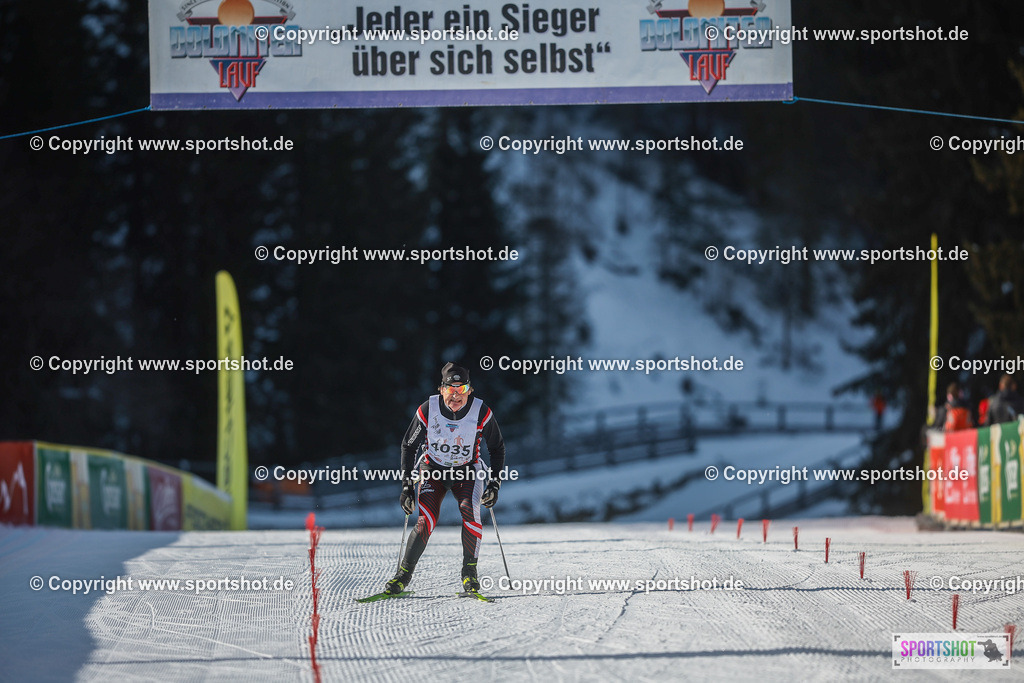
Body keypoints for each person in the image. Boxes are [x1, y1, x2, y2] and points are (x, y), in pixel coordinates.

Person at [383, 362, 506, 596]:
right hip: (433, 469)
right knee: (426, 520)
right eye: (451, 390)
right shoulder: (428, 409)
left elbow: (497, 448)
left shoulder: (481, 412)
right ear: (442, 389)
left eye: (462, 390)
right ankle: (403, 576)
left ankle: (469, 574)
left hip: (467, 471)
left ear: (470, 390)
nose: (456, 396)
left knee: (470, 511)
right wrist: (407, 487)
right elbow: (409, 446)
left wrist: (495, 484)